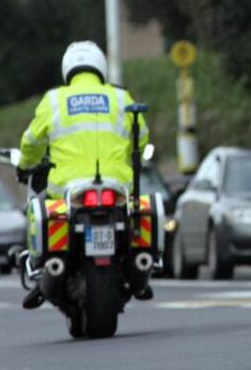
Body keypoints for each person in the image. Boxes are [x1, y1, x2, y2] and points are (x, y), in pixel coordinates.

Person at [17, 41, 151, 308]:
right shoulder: (121, 98)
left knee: (40, 210)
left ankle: (45, 267)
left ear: (68, 70)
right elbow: (142, 140)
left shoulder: (53, 100)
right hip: (117, 187)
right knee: (141, 210)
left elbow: (31, 142)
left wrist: (25, 165)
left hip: (68, 189)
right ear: (101, 67)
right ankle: (141, 263)